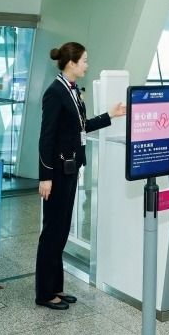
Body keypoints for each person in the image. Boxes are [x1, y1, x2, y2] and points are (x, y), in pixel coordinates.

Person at [35, 42, 125, 310]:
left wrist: (110, 115)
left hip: (70, 169)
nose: (87, 64)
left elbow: (81, 127)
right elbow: (46, 138)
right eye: (84, 60)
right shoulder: (55, 92)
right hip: (57, 172)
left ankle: (56, 287)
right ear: (71, 63)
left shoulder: (71, 90)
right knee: (52, 231)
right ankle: (43, 293)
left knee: (62, 229)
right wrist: (45, 176)